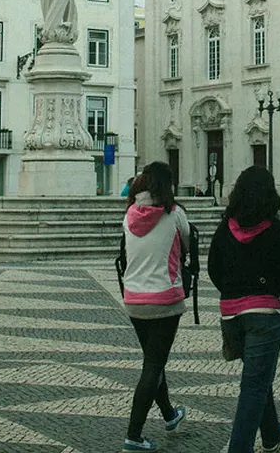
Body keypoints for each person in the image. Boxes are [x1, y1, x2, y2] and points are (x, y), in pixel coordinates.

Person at [208, 166, 280, 453]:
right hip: (264, 316)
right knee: (253, 385)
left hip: (231, 315)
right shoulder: (278, 230)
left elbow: (214, 268)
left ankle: (272, 433)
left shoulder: (225, 228)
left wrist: (231, 291)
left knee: (257, 375)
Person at [120, 162, 190, 452]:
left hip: (134, 299)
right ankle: (133, 436)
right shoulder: (174, 215)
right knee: (153, 365)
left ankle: (170, 415)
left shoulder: (129, 215)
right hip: (164, 299)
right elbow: (186, 245)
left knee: (153, 360)